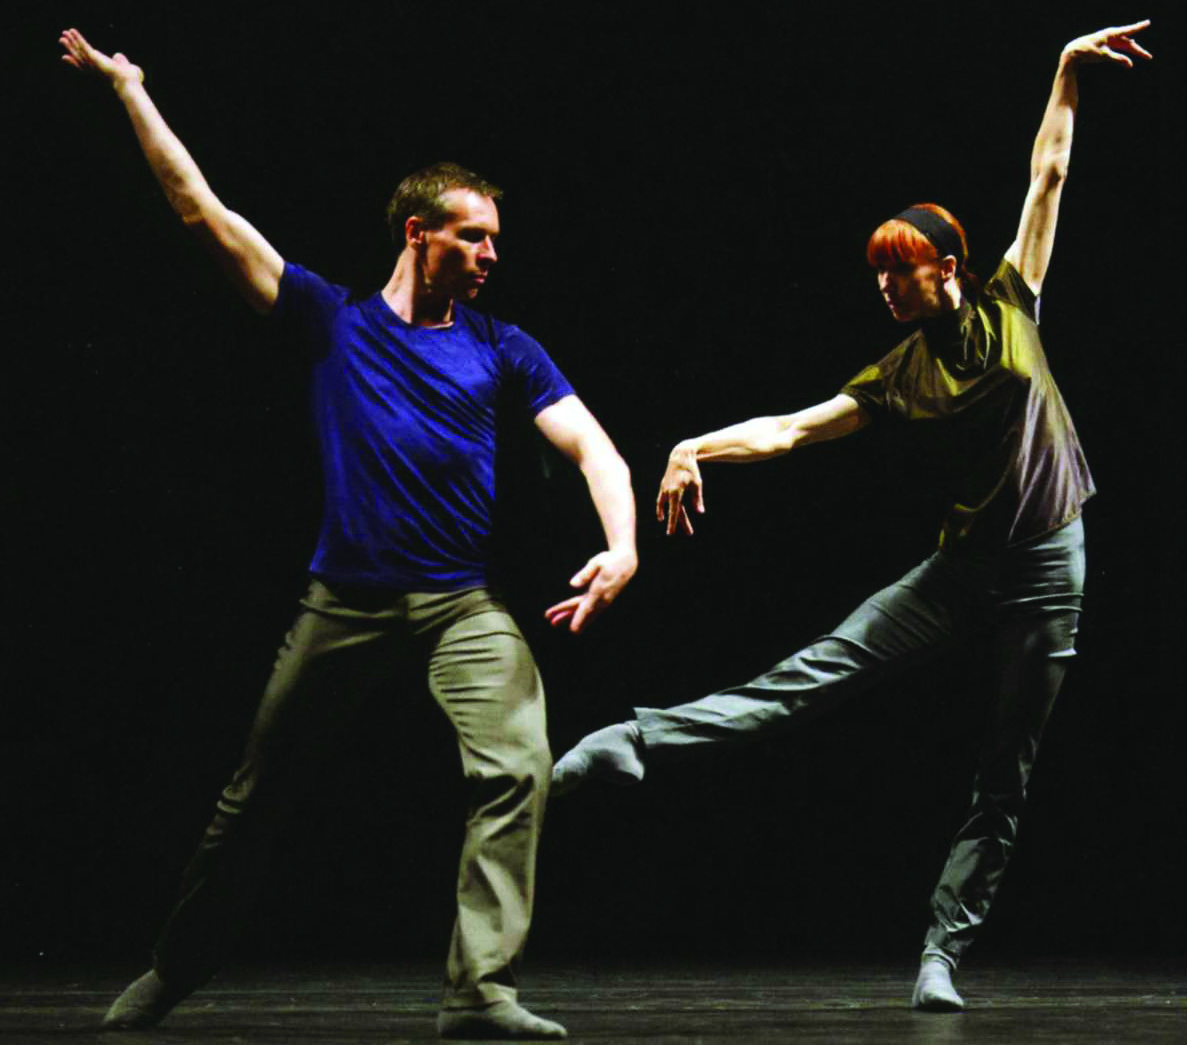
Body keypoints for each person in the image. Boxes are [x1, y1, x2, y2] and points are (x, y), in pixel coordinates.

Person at [552, 20, 1151, 1012]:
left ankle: (940, 952)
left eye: (897, 269)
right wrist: (692, 445)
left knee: (1005, 769)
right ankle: (635, 740)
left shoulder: (1012, 299)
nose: (882, 285)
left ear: (945, 266)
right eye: (875, 272)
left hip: (1050, 563)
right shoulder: (895, 373)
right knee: (811, 673)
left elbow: (1046, 173)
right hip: (962, 568)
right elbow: (790, 430)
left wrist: (1062, 73)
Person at [60, 27, 638, 1042]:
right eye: (472, 237)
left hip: (459, 603)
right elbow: (201, 209)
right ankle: (175, 967)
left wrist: (621, 545)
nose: (491, 255)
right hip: (343, 601)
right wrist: (130, 90)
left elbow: (593, 447)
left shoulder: (503, 348)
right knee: (253, 797)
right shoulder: (333, 321)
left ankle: (479, 989)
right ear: (418, 232)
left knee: (517, 765)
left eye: (494, 240)